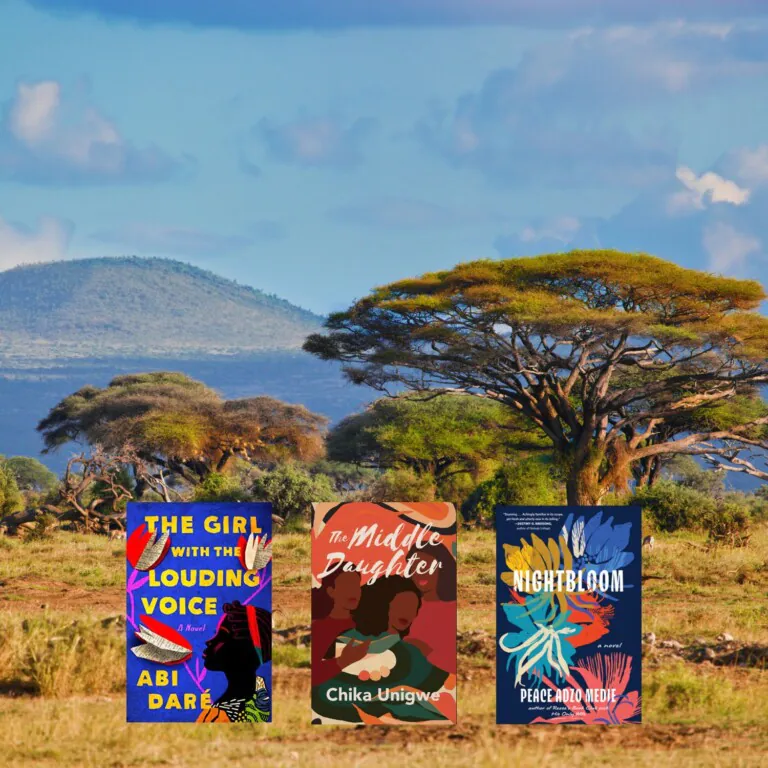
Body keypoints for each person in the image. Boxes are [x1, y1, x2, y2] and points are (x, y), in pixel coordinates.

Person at [312, 575, 456, 724]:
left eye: (413, 607)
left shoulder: (409, 651)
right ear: (384, 605)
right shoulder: (349, 638)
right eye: (401, 605)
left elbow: (443, 680)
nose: (407, 612)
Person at [196, 600, 271, 723]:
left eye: (222, 635)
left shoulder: (216, 717)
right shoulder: (260, 699)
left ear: (245, 650)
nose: (209, 641)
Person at [311, 566, 371, 686]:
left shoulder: (368, 626)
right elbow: (311, 675)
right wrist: (342, 661)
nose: (353, 591)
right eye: (346, 586)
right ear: (331, 591)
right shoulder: (319, 628)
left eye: (356, 586)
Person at [404, 542, 457, 673]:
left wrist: (426, 653)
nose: (421, 572)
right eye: (415, 566)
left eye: (428, 566)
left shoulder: (453, 609)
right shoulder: (405, 607)